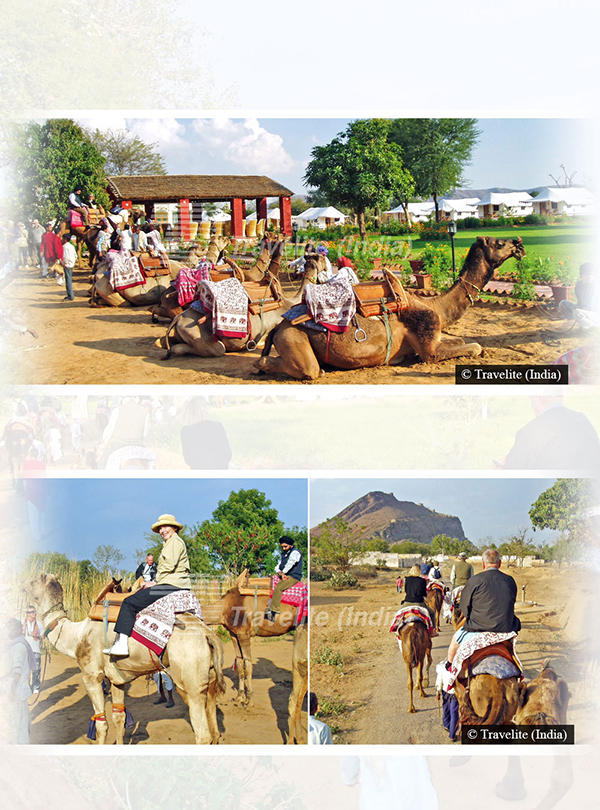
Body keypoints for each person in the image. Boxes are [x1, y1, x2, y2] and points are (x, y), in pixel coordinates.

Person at [103, 514, 191, 656]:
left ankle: (122, 644)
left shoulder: (175, 542)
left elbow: (169, 565)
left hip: (171, 584)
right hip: (172, 583)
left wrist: (155, 582)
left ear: (174, 528)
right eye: (160, 528)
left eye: (165, 526)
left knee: (129, 602)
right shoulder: (171, 543)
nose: (162, 530)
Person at [447, 548, 521, 664]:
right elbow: (511, 602)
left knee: (454, 643)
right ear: (500, 563)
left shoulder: (475, 580)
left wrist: (472, 618)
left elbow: (464, 607)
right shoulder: (510, 580)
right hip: (505, 628)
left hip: (477, 626)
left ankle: (450, 669)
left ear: (483, 563)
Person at [501, 395, 600, 471]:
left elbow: (511, 475)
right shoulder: (583, 421)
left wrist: (498, 469)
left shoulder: (528, 431)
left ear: (538, 400)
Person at [2, 618, 34, 743]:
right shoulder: (18, 644)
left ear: (17, 630)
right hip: (19, 690)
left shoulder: (19, 646)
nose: (8, 632)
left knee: (18, 725)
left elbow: (17, 671)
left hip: (17, 691)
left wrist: (11, 691)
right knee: (21, 722)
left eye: (10, 629)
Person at [180, 397, 232, 470]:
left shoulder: (185, 431)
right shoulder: (216, 426)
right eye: (207, 404)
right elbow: (227, 454)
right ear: (202, 408)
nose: (209, 406)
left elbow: (188, 459)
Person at [264, 536, 303, 623]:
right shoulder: (283, 554)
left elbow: (290, 563)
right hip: (284, 575)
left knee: (279, 587)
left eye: (285, 546)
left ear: (290, 545)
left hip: (293, 577)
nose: (283, 548)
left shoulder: (295, 553)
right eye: (282, 547)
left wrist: (284, 573)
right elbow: (277, 566)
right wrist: (280, 573)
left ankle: (273, 610)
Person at [558, 262, 599, 329]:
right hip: (581, 309)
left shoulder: (595, 286)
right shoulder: (579, 284)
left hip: (593, 313)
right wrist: (577, 308)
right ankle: (577, 323)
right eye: (587, 274)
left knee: (577, 313)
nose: (589, 277)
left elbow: (589, 307)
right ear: (582, 275)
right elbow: (579, 300)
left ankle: (594, 327)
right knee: (563, 303)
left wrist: (577, 310)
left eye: (592, 274)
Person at [435, 659, 458, 742]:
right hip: (454, 693)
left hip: (445, 692)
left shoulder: (442, 667)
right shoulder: (458, 667)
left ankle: (446, 725)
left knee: (446, 708)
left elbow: (439, 680)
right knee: (454, 712)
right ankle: (452, 735)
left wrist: (438, 691)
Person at [22, 606, 44, 693]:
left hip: (35, 649)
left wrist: (36, 636)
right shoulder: (21, 622)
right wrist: (22, 610)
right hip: (24, 650)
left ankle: (36, 687)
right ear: (27, 613)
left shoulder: (38, 624)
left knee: (36, 670)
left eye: (35, 612)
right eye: (31, 612)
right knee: (25, 670)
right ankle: (26, 687)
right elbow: (10, 617)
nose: (34, 614)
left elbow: (43, 635)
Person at [60, 234, 77, 301]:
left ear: (65, 239)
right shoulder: (72, 246)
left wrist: (63, 263)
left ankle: (70, 296)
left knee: (68, 280)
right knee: (69, 279)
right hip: (71, 263)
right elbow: (75, 255)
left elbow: (65, 257)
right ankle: (70, 295)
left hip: (67, 264)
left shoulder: (64, 247)